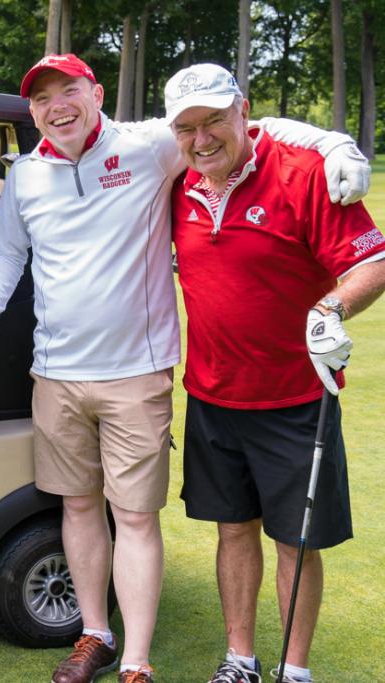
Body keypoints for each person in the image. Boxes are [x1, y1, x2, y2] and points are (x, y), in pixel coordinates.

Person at [0, 53, 371, 683]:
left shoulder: (149, 146)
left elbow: (255, 130)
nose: (57, 106)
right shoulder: (33, 176)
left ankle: (150, 663)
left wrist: (334, 142)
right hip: (86, 375)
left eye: (68, 90)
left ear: (96, 93)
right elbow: (10, 254)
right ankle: (114, 638)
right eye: (42, 99)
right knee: (105, 511)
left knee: (157, 520)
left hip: (160, 375)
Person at [163, 63, 385, 683]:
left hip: (295, 399)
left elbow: (373, 262)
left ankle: (294, 669)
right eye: (188, 127)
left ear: (244, 112)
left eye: (214, 121)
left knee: (295, 540)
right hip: (212, 395)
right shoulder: (175, 181)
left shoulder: (303, 174)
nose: (202, 138)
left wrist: (331, 309)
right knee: (233, 530)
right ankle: (241, 659)